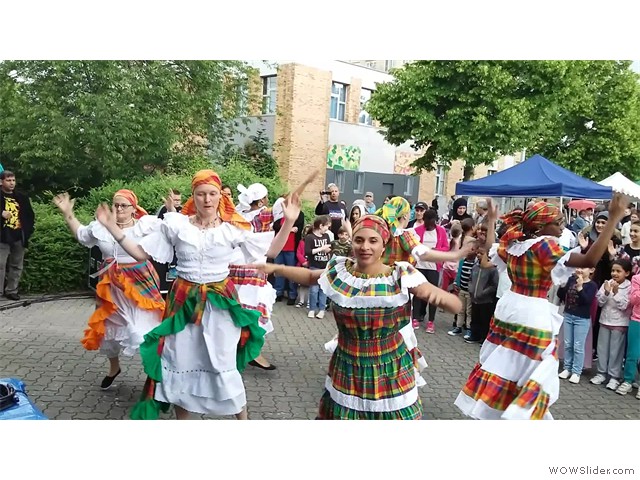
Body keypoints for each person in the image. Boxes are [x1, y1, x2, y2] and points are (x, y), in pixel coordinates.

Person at [95, 170, 301, 420]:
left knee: (222, 361)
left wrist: (289, 221)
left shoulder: (231, 229)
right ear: (193, 196)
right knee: (179, 360)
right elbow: (140, 253)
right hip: (183, 301)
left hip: (219, 303)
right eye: (201, 194)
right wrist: (112, 228)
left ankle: (243, 421)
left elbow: (271, 251)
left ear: (220, 197)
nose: (207, 199)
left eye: (212, 193)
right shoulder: (176, 225)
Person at [251, 215, 462, 419]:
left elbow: (455, 305)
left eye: (373, 241)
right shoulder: (341, 271)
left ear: (384, 245)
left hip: (390, 368)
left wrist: (438, 297)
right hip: (347, 366)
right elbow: (310, 276)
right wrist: (277, 268)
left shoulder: (400, 275)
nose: (365, 247)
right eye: (359, 240)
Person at [454, 195, 627, 420]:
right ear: (541, 226)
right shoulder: (545, 245)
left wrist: (492, 220)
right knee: (536, 368)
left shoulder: (515, 244)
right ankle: (520, 413)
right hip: (531, 312)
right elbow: (589, 261)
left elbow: (489, 247)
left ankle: (501, 410)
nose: (562, 226)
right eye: (558, 222)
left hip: (508, 308)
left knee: (507, 363)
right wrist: (613, 219)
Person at [53, 189, 165, 389]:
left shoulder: (145, 226)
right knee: (108, 330)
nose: (119, 209)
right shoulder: (100, 227)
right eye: (116, 205)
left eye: (124, 205)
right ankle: (114, 368)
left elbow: (168, 236)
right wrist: (68, 214)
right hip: (110, 286)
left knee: (145, 330)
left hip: (139, 285)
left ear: (133, 208)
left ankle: (154, 374)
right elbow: (81, 235)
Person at [590, 259, 632, 391]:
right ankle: (601, 373)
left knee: (616, 352)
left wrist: (616, 293)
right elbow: (600, 302)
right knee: (602, 349)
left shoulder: (629, 287)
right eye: (613, 270)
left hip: (620, 323)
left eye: (618, 271)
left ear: (627, 273)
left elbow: (624, 306)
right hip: (604, 321)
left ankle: (614, 377)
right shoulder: (606, 283)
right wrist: (607, 292)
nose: (614, 273)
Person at [411, 206, 449, 333]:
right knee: (418, 294)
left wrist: (434, 250)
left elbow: (445, 248)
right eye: (426, 221)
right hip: (419, 266)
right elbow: (412, 245)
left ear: (435, 221)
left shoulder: (441, 231)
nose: (428, 224)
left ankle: (431, 321)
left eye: (431, 222)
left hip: (433, 267)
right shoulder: (417, 230)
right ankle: (415, 318)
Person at [557, 267, 598, 383]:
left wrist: (580, 288)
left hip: (582, 319)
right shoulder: (571, 280)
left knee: (578, 346)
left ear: (591, 270)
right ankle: (567, 368)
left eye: (583, 268)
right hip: (568, 315)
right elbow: (561, 295)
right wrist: (562, 286)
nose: (579, 270)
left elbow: (587, 301)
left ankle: (576, 371)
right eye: (578, 267)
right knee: (568, 344)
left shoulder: (592, 285)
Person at [0, 171, 35, 301]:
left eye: (13, 180)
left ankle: (12, 290)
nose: (12, 183)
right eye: (8, 180)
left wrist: (28, 231)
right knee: (0, 264)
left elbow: (30, 216)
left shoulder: (21, 197)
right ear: (1, 182)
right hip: (2, 236)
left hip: (19, 235)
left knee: (16, 265)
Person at [466, 243, 499, 344]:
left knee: (484, 320)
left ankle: (483, 338)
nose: (479, 255)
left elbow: (493, 285)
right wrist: (471, 289)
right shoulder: (475, 267)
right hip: (474, 298)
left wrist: (483, 292)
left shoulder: (492, 269)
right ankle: (474, 335)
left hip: (485, 300)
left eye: (481, 253)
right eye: (478, 253)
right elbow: (470, 279)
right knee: (475, 318)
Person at [305, 215, 332, 319]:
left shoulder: (326, 236)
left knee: (323, 290)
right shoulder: (310, 237)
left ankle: (321, 310)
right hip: (314, 266)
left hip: (324, 267)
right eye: (326, 226)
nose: (327, 229)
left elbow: (329, 249)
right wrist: (321, 248)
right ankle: (312, 309)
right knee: (314, 289)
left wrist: (327, 250)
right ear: (321, 226)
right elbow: (308, 251)